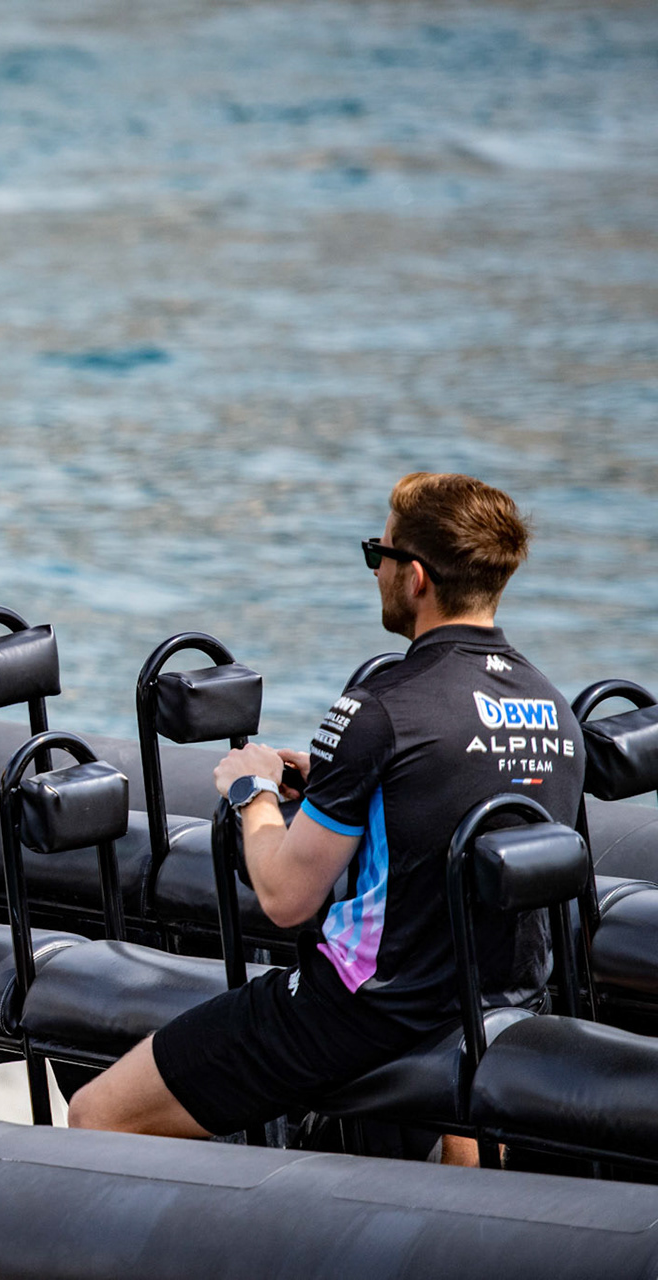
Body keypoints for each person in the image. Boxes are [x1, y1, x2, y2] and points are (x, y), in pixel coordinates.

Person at [67, 473, 582, 1162]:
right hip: (498, 1008)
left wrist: (250, 792)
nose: (377, 574)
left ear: (418, 578)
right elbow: (448, 815)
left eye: (381, 555)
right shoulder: (556, 713)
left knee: (97, 1113)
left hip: (362, 1014)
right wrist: (344, 788)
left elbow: (285, 896)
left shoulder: (381, 708)